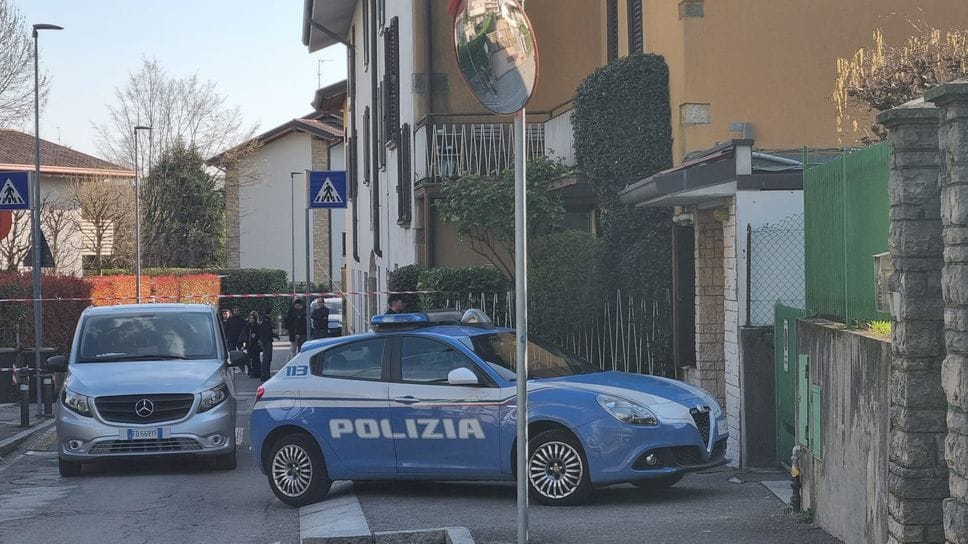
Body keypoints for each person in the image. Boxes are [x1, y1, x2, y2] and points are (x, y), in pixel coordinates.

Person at [239, 311, 262, 378]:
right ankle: (251, 371)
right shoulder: (247, 326)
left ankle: (257, 372)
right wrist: (244, 344)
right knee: (249, 359)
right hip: (249, 345)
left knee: (256, 359)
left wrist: (256, 336)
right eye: (250, 318)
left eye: (252, 318)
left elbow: (259, 334)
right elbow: (245, 335)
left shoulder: (257, 326)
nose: (251, 319)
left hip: (255, 345)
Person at [258, 308, 279, 381]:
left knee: (266, 358)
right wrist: (275, 335)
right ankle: (265, 374)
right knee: (267, 358)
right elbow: (267, 331)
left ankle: (265, 374)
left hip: (265, 341)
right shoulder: (266, 320)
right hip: (267, 341)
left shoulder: (263, 319)